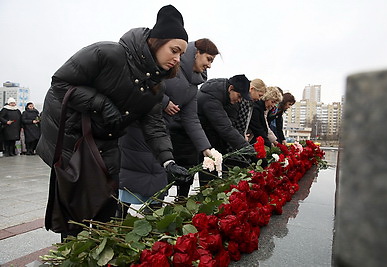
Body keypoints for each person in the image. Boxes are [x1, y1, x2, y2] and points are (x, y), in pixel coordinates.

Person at [37, 4, 190, 238]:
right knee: (74, 215)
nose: (177, 59)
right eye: (174, 50)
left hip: (108, 141)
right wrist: (102, 104)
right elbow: (60, 83)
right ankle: (72, 255)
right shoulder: (106, 54)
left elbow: (154, 126)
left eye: (181, 54)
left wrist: (168, 162)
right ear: (157, 41)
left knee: (105, 209)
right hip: (74, 138)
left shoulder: (156, 88)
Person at [162, 38, 220, 198]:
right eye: (208, 59)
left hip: (161, 135)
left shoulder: (193, 86)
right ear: (196, 53)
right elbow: (148, 86)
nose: (209, 65)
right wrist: (164, 101)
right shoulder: (171, 66)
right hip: (146, 130)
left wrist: (206, 149)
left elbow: (191, 118)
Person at [197, 74, 255, 185]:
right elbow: (225, 128)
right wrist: (250, 151)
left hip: (213, 139)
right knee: (206, 178)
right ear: (231, 88)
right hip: (201, 139)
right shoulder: (211, 97)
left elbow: (231, 124)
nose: (239, 100)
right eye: (239, 96)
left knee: (212, 179)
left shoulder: (228, 98)